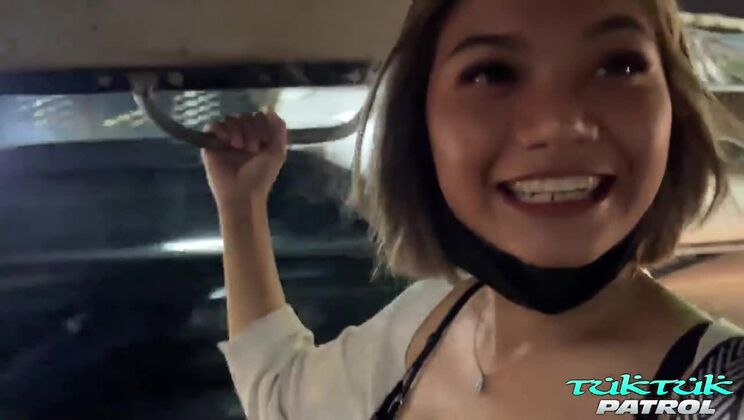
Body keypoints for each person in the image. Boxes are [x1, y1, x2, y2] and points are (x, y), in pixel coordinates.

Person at [202, 0, 744, 418]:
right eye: (492, 73)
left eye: (619, 66)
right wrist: (241, 206)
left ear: (673, 112)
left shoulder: (715, 394)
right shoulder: (429, 320)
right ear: (422, 125)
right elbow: (281, 394)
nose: (559, 124)